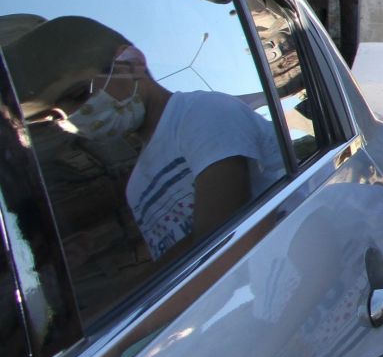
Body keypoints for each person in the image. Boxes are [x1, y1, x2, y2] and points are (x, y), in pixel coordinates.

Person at [10, 15, 285, 259]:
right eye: (55, 116)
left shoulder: (204, 113)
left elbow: (218, 246)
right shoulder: (136, 187)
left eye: (78, 95)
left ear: (131, 64)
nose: (71, 117)